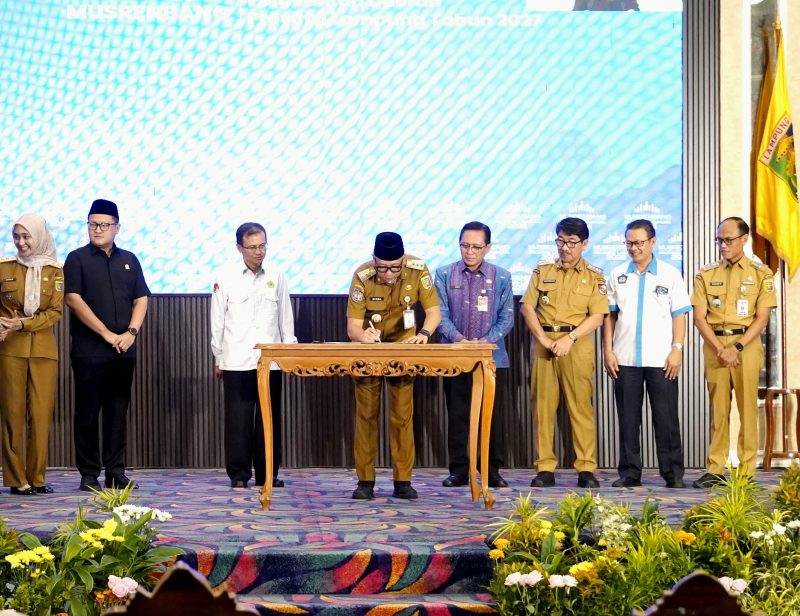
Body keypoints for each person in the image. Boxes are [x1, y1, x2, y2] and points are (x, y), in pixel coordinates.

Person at [346, 231, 441, 500]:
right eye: (383, 267)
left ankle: (403, 481)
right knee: (366, 415)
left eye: (395, 268)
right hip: (370, 351)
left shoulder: (417, 269)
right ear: (374, 260)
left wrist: (423, 334)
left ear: (403, 259)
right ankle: (365, 481)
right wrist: (363, 336)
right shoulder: (362, 274)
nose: (388, 274)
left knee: (402, 416)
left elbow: (434, 313)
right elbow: (353, 327)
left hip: (403, 349)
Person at [64, 199, 150, 491]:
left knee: (117, 412)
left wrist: (131, 332)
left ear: (117, 228)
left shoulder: (130, 259)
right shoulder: (77, 258)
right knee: (87, 413)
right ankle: (89, 474)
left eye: (104, 225)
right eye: (93, 224)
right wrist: (106, 334)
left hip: (123, 350)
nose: (97, 229)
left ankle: (116, 471)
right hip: (90, 351)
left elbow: (141, 298)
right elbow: (73, 298)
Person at [520, 217, 608, 489]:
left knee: (580, 407)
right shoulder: (543, 270)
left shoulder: (594, 276)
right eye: (560, 241)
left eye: (571, 242)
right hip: (544, 343)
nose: (564, 247)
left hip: (577, 344)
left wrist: (570, 338)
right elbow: (527, 307)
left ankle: (586, 467)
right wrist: (543, 339)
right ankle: (545, 467)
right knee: (542, 408)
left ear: (584, 244)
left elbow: (598, 316)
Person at [603, 219, 691, 489]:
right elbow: (610, 317)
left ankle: (673, 474)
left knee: (666, 419)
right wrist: (608, 350)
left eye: (639, 242)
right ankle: (630, 474)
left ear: (652, 242)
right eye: (629, 243)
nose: (634, 248)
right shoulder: (617, 274)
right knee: (628, 421)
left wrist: (677, 350)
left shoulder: (670, 274)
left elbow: (679, 316)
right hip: (625, 359)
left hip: (661, 360)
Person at [691, 217, 777, 488]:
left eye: (728, 240)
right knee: (718, 410)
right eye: (719, 240)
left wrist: (736, 348)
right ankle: (715, 468)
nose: (723, 245)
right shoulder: (706, 274)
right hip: (715, 346)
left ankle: (746, 471)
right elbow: (699, 318)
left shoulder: (760, 274)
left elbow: (761, 318)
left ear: (744, 239)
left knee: (747, 409)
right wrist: (721, 349)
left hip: (746, 346)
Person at [211, 222, 296, 489]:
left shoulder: (277, 275)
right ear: (240, 248)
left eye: (262, 246)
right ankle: (238, 474)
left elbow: (285, 317)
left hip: (270, 360)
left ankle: (267, 473)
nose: (259, 252)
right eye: (253, 247)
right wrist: (219, 357)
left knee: (270, 418)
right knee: (238, 419)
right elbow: (217, 321)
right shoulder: (225, 277)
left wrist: (288, 353)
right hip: (236, 358)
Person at [434, 221, 514, 489]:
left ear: (487, 247)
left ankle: (491, 470)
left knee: (492, 416)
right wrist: (460, 340)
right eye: (465, 246)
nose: (469, 251)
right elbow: (440, 314)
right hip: (454, 358)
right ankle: (459, 470)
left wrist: (484, 343)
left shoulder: (501, 276)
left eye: (476, 247)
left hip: (490, 358)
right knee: (457, 415)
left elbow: (507, 318)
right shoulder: (444, 274)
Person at [0, 214, 63, 495]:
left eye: (27, 236)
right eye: (17, 237)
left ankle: (37, 477)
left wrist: (23, 324)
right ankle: (17, 480)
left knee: (40, 415)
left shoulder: (55, 270)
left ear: (39, 236)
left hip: (43, 351)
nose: (21, 243)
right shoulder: (4, 267)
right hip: (10, 349)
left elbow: (55, 313)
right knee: (12, 414)